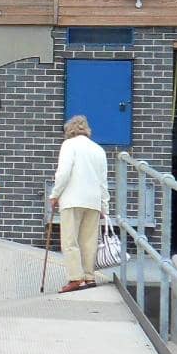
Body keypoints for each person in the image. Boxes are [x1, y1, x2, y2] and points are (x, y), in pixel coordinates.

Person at [50, 113, 109, 293]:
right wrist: (104, 206)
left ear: (70, 130)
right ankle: (89, 276)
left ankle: (75, 278)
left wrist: (55, 194)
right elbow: (103, 181)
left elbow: (63, 173)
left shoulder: (68, 145)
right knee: (89, 240)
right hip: (93, 200)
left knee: (70, 240)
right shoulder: (99, 149)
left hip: (72, 199)